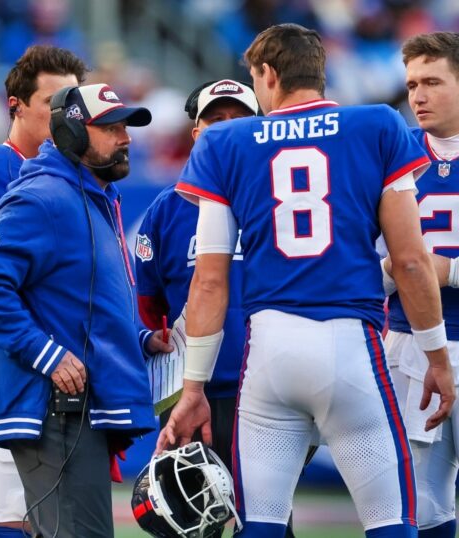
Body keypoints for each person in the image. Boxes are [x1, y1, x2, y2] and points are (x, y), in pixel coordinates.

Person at [159, 23, 456, 537]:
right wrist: (435, 355)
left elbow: (209, 283)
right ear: (321, 74)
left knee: (262, 525)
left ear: (268, 74)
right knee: (393, 521)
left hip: (269, 353)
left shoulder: (226, 141)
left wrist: (192, 390)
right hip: (351, 348)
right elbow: (410, 261)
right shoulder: (378, 126)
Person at [0, 83, 170, 538]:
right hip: (53, 411)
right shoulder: (44, 197)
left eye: (126, 128)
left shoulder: (92, 197)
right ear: (72, 133)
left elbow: (78, 305)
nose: (125, 138)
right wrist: (44, 353)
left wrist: (139, 340)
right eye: (110, 128)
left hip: (76, 410)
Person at [0, 47, 87, 537]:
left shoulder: (82, 175)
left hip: (68, 367)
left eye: (71, 101)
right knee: (13, 517)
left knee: (59, 519)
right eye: (50, 101)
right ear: (16, 106)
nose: (62, 113)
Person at [136, 79, 259, 469]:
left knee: (264, 522)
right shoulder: (166, 210)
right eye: (216, 119)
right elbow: (149, 304)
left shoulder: (277, 199)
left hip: (263, 389)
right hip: (189, 390)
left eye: (240, 120)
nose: (226, 128)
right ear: (196, 133)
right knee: (184, 519)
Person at [380, 31, 459, 538]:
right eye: (411, 84)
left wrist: (440, 269)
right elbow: (365, 255)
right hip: (411, 341)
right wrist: (400, 268)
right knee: (422, 501)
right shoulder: (394, 152)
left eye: (432, 81)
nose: (418, 96)